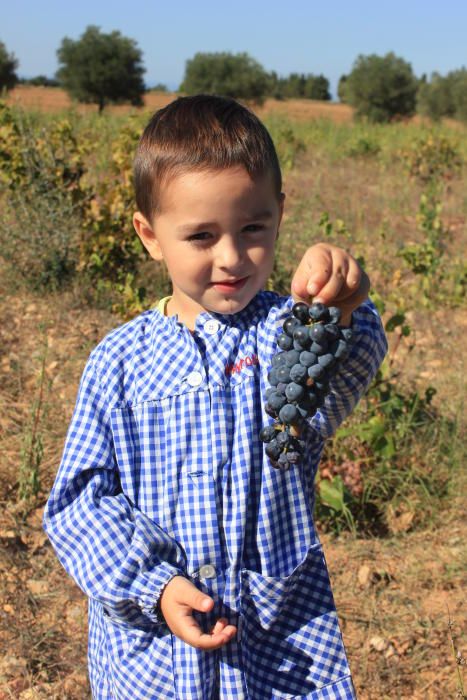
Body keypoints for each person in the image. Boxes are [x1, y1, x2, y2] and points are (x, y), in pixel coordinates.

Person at [43, 94, 387, 700]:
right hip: (155, 656)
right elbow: (78, 503)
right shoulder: (119, 364)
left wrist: (343, 306)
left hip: (277, 644)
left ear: (280, 215)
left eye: (252, 228)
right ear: (150, 236)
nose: (230, 257)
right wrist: (152, 584)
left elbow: (341, 379)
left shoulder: (288, 333)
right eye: (200, 235)